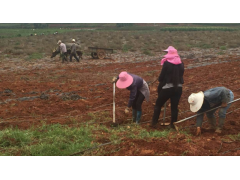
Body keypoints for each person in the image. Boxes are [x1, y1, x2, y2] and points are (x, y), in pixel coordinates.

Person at [151, 46, 184, 129]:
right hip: (179, 88)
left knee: (158, 105)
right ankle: (173, 125)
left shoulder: (167, 63)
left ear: (169, 53)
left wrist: (160, 80)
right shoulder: (181, 63)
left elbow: (161, 77)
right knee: (174, 107)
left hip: (167, 88)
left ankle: (154, 123)